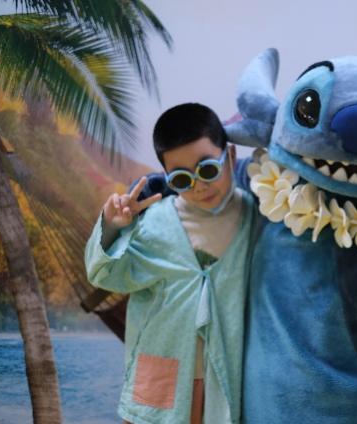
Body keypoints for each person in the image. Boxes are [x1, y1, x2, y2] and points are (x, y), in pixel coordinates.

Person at [84, 103, 256, 424]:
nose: (199, 185)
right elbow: (104, 274)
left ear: (230, 157)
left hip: (227, 381)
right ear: (167, 178)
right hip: (161, 383)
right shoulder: (154, 225)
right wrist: (112, 228)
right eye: (182, 178)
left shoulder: (254, 218)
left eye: (208, 169)